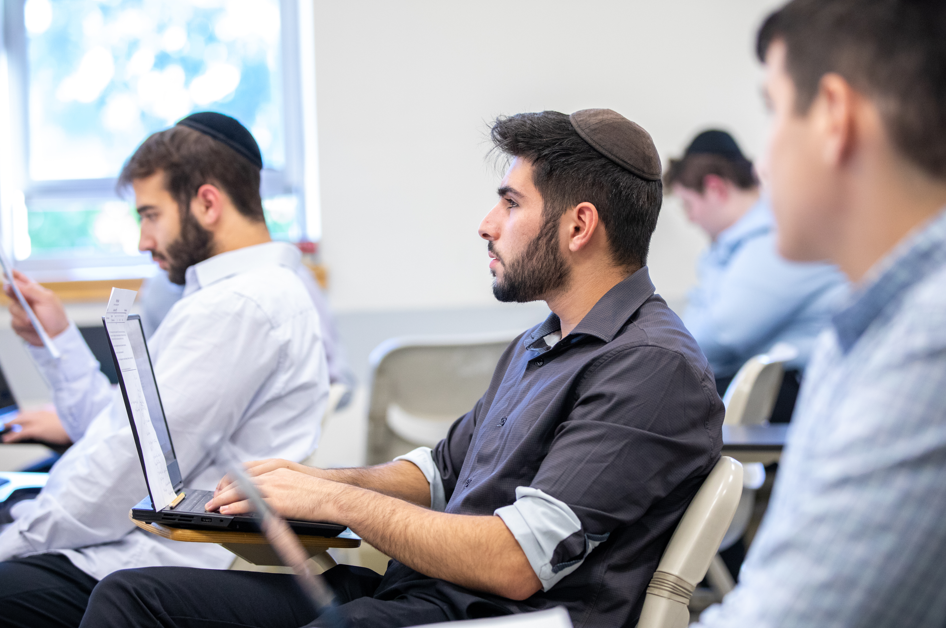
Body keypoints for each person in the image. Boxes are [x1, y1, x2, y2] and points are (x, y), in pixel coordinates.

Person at [79, 109, 725, 628]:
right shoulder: (544, 341)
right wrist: (302, 481)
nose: (486, 224)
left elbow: (516, 562)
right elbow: (441, 472)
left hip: (489, 615)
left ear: (580, 226)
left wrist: (337, 499)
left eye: (510, 203)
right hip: (416, 597)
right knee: (132, 600)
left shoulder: (649, 368)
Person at [0, 112, 329, 628]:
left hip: (149, 570)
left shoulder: (240, 305)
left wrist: (13, 540)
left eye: (150, 215)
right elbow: (122, 437)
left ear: (207, 202)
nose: (142, 240)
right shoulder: (232, 296)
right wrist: (57, 339)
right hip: (127, 552)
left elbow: (122, 472)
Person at [690, 1, 946, 626]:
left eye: (774, 111)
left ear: (834, 116)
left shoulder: (928, 340)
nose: (762, 165)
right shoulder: (865, 329)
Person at [666, 130, 846, 423]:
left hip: (805, 389)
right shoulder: (739, 248)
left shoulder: (775, 238)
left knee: (667, 406)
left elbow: (718, 337)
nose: (690, 218)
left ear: (715, 189)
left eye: (688, 204)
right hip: (790, 386)